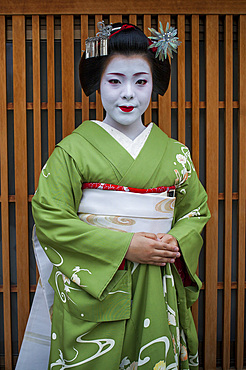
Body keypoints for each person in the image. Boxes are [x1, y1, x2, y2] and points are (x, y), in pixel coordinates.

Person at [30, 22, 210, 369]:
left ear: (154, 84)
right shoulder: (72, 151)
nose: (128, 93)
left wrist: (171, 241)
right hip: (97, 289)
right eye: (115, 81)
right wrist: (125, 246)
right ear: (97, 82)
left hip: (158, 279)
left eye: (140, 81)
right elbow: (50, 218)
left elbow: (195, 212)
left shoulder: (175, 154)